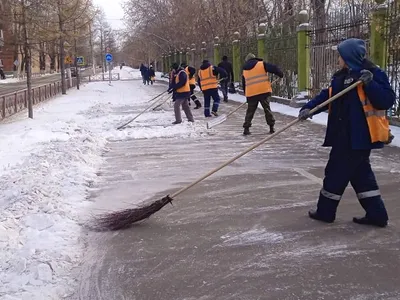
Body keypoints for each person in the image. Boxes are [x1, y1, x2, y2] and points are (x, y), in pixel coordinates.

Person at [298, 38, 395, 228]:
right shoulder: (341, 76)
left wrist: (369, 83)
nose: (337, 60)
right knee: (361, 176)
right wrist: (308, 108)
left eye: (340, 56)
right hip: (344, 136)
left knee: (335, 173)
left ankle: (325, 212)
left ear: (349, 57)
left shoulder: (373, 74)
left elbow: (386, 100)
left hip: (360, 137)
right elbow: (327, 96)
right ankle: (377, 215)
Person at [242, 53, 283, 135]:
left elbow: (244, 83)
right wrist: (280, 74)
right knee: (267, 109)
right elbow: (274, 68)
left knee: (250, 111)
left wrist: (246, 94)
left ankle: (246, 128)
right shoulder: (261, 64)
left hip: (251, 93)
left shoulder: (244, 69)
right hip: (263, 91)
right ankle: (271, 127)